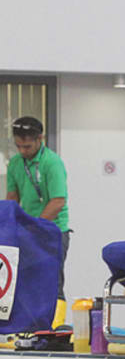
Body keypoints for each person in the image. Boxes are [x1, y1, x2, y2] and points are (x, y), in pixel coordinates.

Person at [6, 116, 70, 325]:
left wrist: (35, 227)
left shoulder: (51, 162)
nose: (23, 150)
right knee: (24, 280)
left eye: (27, 146)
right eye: (18, 146)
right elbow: (13, 197)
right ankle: (26, 326)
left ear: (40, 138)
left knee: (52, 281)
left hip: (53, 231)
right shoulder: (16, 163)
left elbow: (58, 201)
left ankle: (54, 328)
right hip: (27, 232)